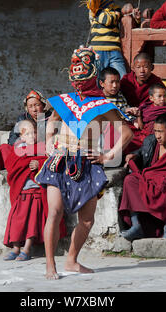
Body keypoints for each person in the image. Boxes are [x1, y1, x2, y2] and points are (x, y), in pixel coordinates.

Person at [35, 45, 133, 279]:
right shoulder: (65, 101)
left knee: (87, 220)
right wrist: (48, 140)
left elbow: (127, 133)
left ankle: (71, 260)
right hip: (60, 160)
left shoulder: (104, 106)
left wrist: (108, 156)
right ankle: (50, 265)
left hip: (87, 164)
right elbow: (52, 120)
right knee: (55, 212)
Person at [119, 113, 166, 241]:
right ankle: (137, 226)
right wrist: (134, 156)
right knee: (130, 180)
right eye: (156, 131)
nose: (157, 135)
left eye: (161, 132)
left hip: (164, 186)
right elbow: (141, 153)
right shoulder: (150, 141)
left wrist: (162, 177)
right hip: (149, 181)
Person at [3, 120, 66, 261]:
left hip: (36, 192)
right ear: (21, 136)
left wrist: (39, 164)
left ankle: (26, 248)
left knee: (33, 221)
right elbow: (12, 166)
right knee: (16, 220)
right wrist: (25, 164)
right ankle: (15, 247)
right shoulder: (17, 150)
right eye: (28, 134)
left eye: (34, 133)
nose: (32, 136)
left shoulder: (43, 148)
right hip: (22, 192)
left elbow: (50, 162)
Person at [83, 0, 141, 78]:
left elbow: (127, 23)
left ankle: (122, 91)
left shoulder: (116, 8)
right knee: (98, 78)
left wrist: (137, 19)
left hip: (115, 51)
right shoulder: (94, 10)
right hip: (98, 51)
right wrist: (116, 15)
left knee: (123, 77)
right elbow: (107, 20)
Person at [0, 90, 52, 172]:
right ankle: (15, 169)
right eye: (30, 106)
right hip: (24, 150)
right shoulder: (22, 118)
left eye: (37, 105)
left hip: (41, 151)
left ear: (43, 105)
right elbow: (13, 138)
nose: (34, 109)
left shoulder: (51, 118)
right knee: (4, 148)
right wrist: (24, 146)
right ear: (27, 108)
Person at [98, 67, 144, 157]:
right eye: (111, 82)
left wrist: (135, 117)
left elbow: (126, 109)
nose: (115, 86)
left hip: (124, 126)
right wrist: (122, 111)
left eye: (117, 82)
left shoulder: (119, 95)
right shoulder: (98, 97)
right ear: (102, 83)